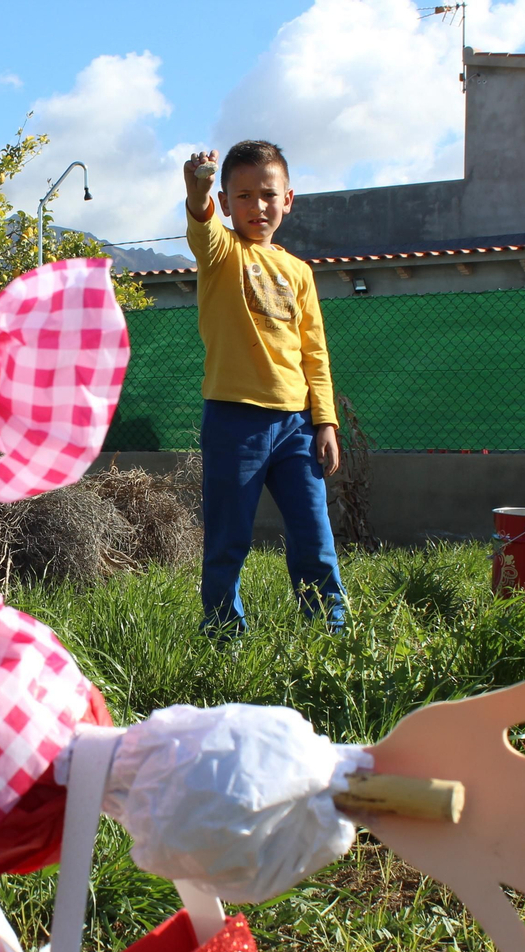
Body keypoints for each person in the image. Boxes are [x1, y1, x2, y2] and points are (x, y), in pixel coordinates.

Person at [185, 140, 346, 633]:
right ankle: (224, 635)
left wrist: (325, 420)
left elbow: (314, 351)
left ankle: (330, 631)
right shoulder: (220, 252)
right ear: (228, 203)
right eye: (243, 196)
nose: (257, 206)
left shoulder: (299, 272)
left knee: (314, 536)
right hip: (235, 421)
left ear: (288, 199)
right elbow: (202, 224)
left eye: (268, 195)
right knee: (228, 539)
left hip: (297, 425)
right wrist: (198, 189)